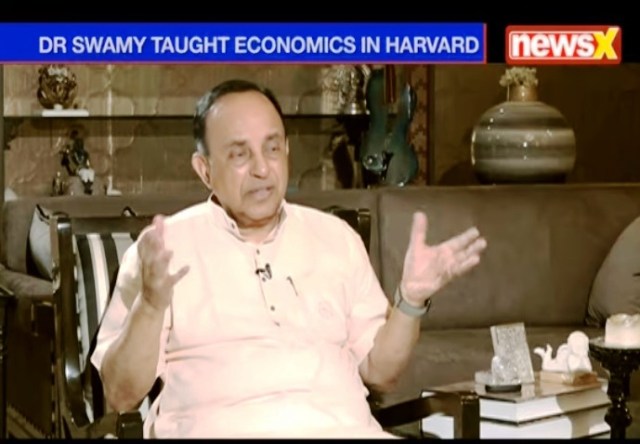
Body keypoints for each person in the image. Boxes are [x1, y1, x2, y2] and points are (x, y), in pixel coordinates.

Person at [90, 79, 487, 438]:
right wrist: (151, 304)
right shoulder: (163, 251)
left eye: (273, 148)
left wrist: (411, 301)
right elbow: (121, 396)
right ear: (205, 170)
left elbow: (382, 373)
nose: (262, 169)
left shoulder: (336, 238)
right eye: (240, 154)